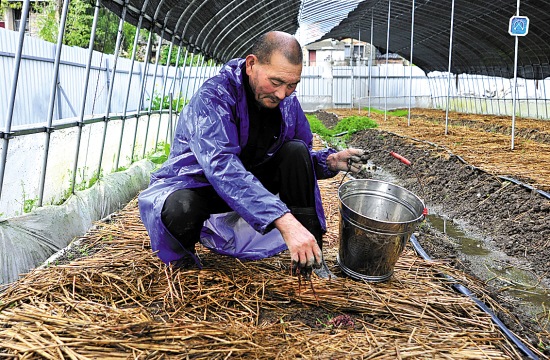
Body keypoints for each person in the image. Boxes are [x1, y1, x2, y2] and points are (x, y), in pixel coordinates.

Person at [138, 31, 363, 277]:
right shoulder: (214, 97)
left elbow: (297, 166)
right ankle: (183, 265)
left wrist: (328, 162)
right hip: (203, 185)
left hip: (252, 183)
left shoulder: (287, 104)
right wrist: (284, 220)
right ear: (251, 64)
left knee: (296, 151)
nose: (282, 94)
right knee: (179, 206)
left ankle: (311, 260)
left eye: (292, 85)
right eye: (275, 82)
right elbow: (222, 167)